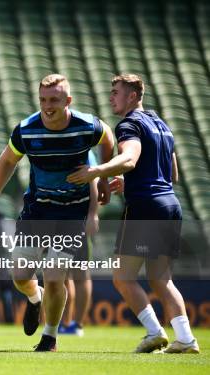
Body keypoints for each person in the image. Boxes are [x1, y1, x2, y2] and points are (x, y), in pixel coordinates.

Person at [66, 74, 200, 354]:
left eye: (116, 92)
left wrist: (97, 171)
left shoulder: (129, 124)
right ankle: (186, 339)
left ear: (133, 96)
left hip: (145, 207)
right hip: (169, 204)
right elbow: (171, 174)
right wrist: (130, 181)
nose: (111, 97)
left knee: (123, 277)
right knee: (161, 279)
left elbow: (130, 158)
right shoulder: (161, 124)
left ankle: (154, 332)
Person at [0, 74, 114, 352]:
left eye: (54, 100)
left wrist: (102, 176)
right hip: (37, 210)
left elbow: (108, 138)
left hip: (72, 214)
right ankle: (35, 297)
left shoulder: (86, 125)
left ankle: (50, 336)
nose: (47, 105)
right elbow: (7, 160)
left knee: (55, 275)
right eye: (43, 100)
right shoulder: (26, 129)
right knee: (20, 276)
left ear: (68, 101)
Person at [59, 151, 99, 337]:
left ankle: (78, 324)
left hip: (79, 217)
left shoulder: (83, 148)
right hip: (57, 218)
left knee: (80, 272)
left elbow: (92, 179)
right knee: (62, 273)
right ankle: (64, 322)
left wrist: (92, 214)